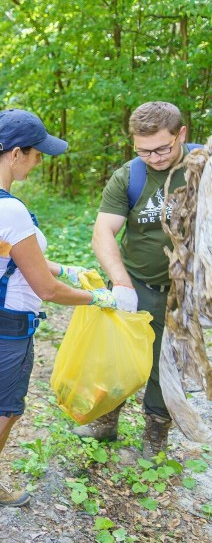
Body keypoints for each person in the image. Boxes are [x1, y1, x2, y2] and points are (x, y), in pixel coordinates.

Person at [0, 109, 119, 537]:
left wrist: (65, 268)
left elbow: (11, 255)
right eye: (37, 154)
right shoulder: (10, 209)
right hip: (6, 332)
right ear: (16, 154)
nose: (40, 161)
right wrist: (100, 297)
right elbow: (46, 290)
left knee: (10, 410)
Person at [76, 101, 196, 459]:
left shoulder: (202, 170)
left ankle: (155, 437)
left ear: (181, 134)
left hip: (183, 294)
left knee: (166, 364)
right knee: (118, 357)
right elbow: (103, 233)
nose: (155, 157)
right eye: (144, 150)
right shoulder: (130, 176)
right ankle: (105, 422)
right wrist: (122, 283)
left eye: (163, 148)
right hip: (137, 283)